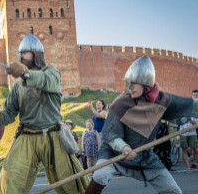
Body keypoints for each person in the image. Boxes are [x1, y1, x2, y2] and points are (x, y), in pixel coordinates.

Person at [85, 55, 198, 194]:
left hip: (144, 157)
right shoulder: (120, 103)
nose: (130, 87)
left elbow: (192, 105)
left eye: (134, 83)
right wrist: (124, 147)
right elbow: (110, 134)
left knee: (174, 191)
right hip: (114, 154)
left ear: (146, 82)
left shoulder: (163, 101)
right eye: (129, 83)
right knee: (100, 175)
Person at [0, 33, 89, 194]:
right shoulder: (17, 87)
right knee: (10, 179)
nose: (22, 56)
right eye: (21, 53)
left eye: (26, 52)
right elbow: (9, 114)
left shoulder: (52, 73)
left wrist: (25, 74)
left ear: (37, 54)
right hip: (27, 136)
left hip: (53, 135)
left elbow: (44, 81)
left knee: (72, 182)